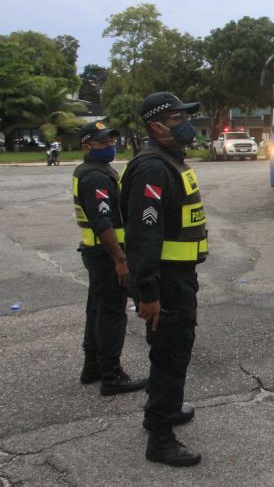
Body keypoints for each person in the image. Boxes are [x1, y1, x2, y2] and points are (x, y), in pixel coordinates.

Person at [120, 92, 208, 467]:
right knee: (171, 354)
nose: (185, 124)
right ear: (156, 127)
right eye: (176, 119)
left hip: (179, 277)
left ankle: (163, 409)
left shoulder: (169, 161)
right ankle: (160, 438)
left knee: (173, 350)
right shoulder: (153, 168)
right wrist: (149, 293)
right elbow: (143, 237)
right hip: (167, 282)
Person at [72, 122, 147, 396]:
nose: (109, 146)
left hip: (95, 253)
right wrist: (120, 259)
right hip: (106, 255)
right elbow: (103, 222)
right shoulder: (95, 177)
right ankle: (111, 375)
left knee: (97, 309)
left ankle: (92, 366)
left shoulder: (93, 171)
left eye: (111, 141)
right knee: (112, 313)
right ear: (86, 146)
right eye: (102, 143)